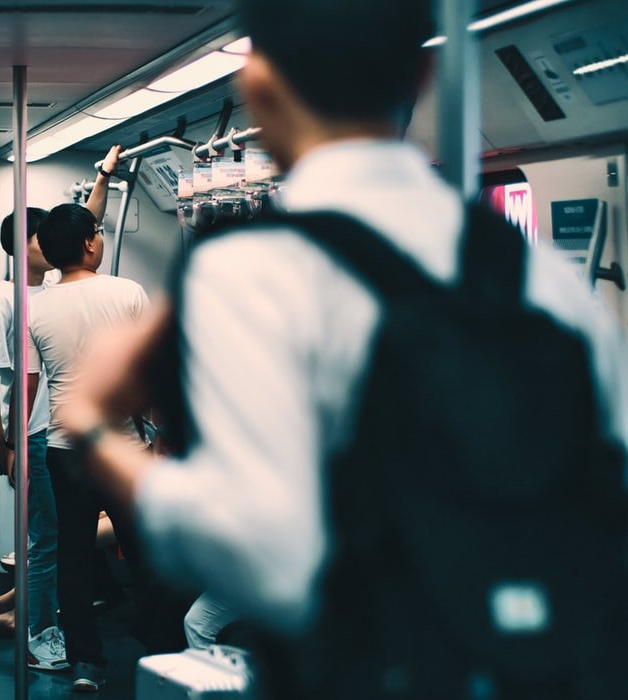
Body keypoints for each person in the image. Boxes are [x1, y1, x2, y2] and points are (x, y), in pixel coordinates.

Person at [58, 0, 628, 692]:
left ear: (258, 86)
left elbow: (259, 552)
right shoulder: (541, 277)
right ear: (421, 74)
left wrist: (92, 428)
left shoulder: (249, 269)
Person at [0, 145, 124, 670]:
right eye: (40, 236)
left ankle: (30, 618)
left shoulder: (50, 287)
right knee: (48, 543)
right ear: (24, 246)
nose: (51, 244)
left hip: (59, 430)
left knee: (52, 540)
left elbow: (83, 231)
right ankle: (40, 632)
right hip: (32, 435)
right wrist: (4, 446)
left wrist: (103, 177)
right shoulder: (6, 300)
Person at [16, 202, 150, 692]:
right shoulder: (128, 292)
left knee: (72, 556)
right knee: (144, 551)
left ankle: (86, 664)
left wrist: (14, 446)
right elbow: (149, 372)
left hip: (64, 447)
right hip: (123, 447)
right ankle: (160, 647)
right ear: (91, 242)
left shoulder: (37, 306)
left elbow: (27, 385)